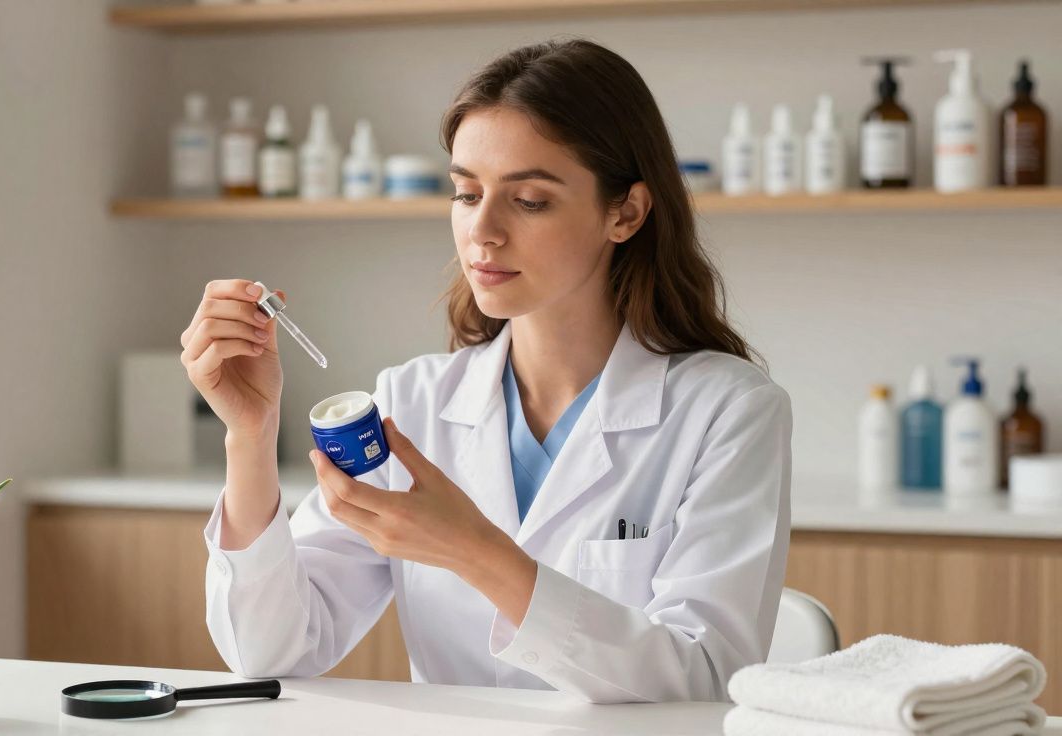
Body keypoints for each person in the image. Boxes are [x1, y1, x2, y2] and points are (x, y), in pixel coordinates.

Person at [180, 38, 792, 704]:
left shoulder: (728, 411)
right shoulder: (410, 403)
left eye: (528, 200)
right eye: (467, 194)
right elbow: (271, 651)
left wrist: (474, 550)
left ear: (625, 212)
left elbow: (705, 678)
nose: (483, 231)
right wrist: (250, 435)